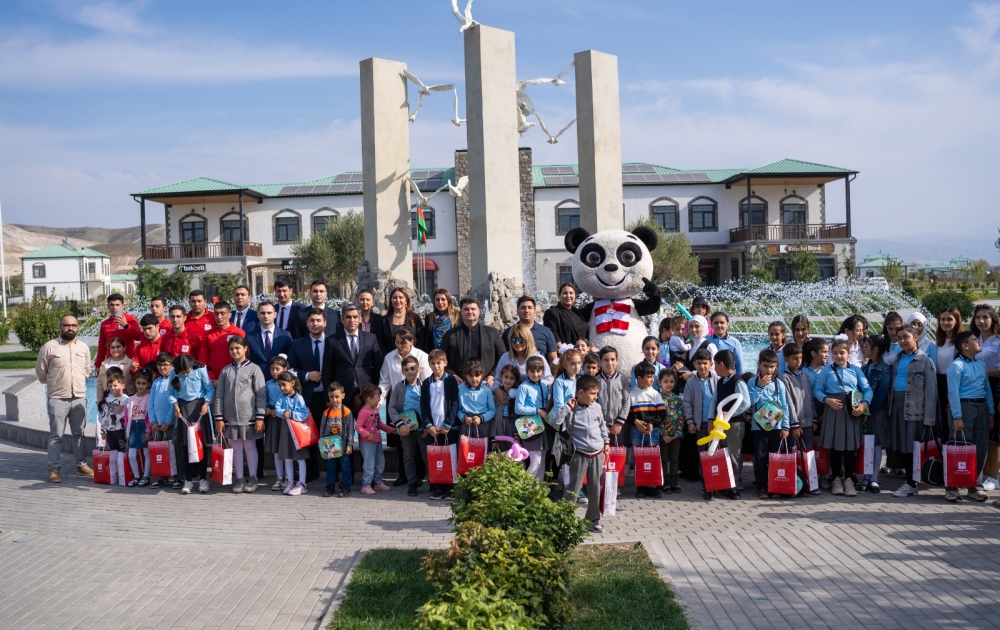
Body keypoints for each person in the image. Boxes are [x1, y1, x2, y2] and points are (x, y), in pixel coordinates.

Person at [549, 375, 610, 533]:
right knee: (573, 488)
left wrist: (606, 442)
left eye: (596, 393)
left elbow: (602, 426)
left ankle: (592, 520)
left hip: (597, 453)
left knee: (595, 488)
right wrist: (566, 408)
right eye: (592, 393)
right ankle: (564, 520)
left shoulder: (596, 407)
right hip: (579, 454)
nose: (595, 397)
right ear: (580, 392)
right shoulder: (571, 408)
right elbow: (554, 421)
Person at [812, 338, 872, 497]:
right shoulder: (826, 371)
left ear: (849, 353)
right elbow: (817, 390)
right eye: (835, 353)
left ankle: (849, 480)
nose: (839, 356)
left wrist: (864, 405)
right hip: (833, 410)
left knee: (850, 448)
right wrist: (827, 400)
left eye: (842, 353)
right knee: (835, 447)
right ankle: (837, 479)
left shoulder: (856, 370)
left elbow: (867, 390)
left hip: (852, 411)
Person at [38, 315, 93, 483]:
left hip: (79, 398)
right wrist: (54, 383)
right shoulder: (49, 347)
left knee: (79, 434)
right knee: (56, 435)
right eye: (66, 325)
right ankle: (54, 469)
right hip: (57, 398)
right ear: (60, 326)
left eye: (74, 325)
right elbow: (41, 371)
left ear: (77, 327)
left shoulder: (83, 347)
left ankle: (81, 465)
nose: (70, 328)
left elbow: (86, 369)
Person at [887, 325, 939, 498]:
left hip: (914, 409)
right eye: (899, 337)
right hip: (897, 407)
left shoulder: (925, 361)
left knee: (911, 447)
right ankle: (910, 480)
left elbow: (931, 393)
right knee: (903, 446)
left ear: (915, 337)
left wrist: (929, 419)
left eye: (906, 337)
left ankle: (911, 483)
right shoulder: (897, 358)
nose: (902, 341)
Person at [212, 336, 267, 494]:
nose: (235, 351)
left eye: (238, 348)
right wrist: (219, 417)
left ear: (245, 349)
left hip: (249, 417)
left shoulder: (254, 369)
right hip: (230, 418)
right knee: (235, 448)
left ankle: (253, 477)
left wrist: (260, 416)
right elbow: (219, 395)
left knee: (249, 447)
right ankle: (240, 478)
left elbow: (261, 394)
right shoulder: (225, 371)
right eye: (231, 349)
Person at [945, 331, 994, 503]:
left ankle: (974, 486)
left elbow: (987, 389)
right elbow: (952, 393)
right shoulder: (956, 366)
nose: (978, 341)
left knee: (980, 447)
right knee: (959, 447)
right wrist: (957, 416)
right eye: (974, 340)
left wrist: (991, 411)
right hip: (964, 407)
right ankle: (952, 487)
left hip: (981, 407)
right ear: (965, 346)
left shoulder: (980, 365)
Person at [377, 326, 430, 486]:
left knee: (422, 447)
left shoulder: (422, 356)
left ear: (412, 341)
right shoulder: (389, 357)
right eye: (397, 342)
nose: (399, 346)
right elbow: (384, 382)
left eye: (403, 343)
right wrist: (378, 403)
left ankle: (425, 477)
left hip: (420, 411)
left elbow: (427, 382)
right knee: (403, 447)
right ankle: (406, 477)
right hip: (400, 406)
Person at [167, 354, 215, 495]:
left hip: (199, 408)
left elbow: (210, 389)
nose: (185, 374)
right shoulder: (173, 372)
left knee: (201, 444)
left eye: (187, 371)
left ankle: (202, 479)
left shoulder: (200, 370)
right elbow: (170, 392)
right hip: (182, 409)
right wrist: (174, 404)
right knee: (185, 445)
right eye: (182, 372)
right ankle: (187, 480)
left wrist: (206, 403)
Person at [749, 349, 790, 500]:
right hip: (758, 427)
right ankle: (761, 487)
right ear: (759, 365)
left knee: (775, 457)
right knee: (760, 457)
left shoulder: (779, 384)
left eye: (772, 366)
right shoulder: (752, 382)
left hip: (776, 427)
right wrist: (759, 386)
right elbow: (750, 402)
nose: (769, 370)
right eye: (765, 366)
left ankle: (775, 485)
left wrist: (786, 427)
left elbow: (784, 406)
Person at [325, 304, 383, 408]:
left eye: (355, 317)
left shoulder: (371, 338)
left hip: (366, 392)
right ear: (342, 319)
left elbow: (378, 367)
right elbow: (327, 371)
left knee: (366, 424)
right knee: (344, 424)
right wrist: (328, 397)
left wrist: (377, 395)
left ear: (360, 319)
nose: (352, 320)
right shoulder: (332, 340)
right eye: (348, 317)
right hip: (342, 393)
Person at [421, 349, 459, 500]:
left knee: (450, 458)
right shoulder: (426, 383)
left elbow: (455, 402)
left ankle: (450, 488)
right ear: (429, 364)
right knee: (436, 459)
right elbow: (423, 406)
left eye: (439, 363)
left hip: (448, 428)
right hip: (433, 428)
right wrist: (428, 425)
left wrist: (449, 424)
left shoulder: (450, 381)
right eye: (433, 363)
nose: (436, 366)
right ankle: (438, 487)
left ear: (445, 363)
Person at [440, 297, 507, 382]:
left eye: (473, 309)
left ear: (479, 311)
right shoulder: (450, 334)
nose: (470, 312)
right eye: (466, 309)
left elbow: (502, 356)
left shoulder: (492, 333)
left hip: (486, 383)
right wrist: (452, 374)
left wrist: (493, 374)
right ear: (461, 312)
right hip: (458, 383)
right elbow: (441, 358)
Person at [713, 349, 751, 497]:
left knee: (733, 454)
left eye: (715, 364)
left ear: (721, 364)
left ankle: (733, 485)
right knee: (723, 453)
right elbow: (715, 401)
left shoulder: (738, 381)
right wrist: (712, 419)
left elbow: (746, 402)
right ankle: (724, 482)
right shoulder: (721, 380)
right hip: (721, 424)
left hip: (734, 424)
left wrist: (729, 414)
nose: (714, 368)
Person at [683, 348, 718, 498]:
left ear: (711, 364)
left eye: (705, 363)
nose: (702, 366)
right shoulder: (691, 382)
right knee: (703, 453)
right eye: (699, 363)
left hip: (716, 423)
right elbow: (687, 403)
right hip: (700, 424)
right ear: (694, 364)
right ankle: (706, 484)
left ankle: (717, 482)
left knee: (716, 453)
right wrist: (690, 421)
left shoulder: (717, 379)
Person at [492, 323, 553, 408]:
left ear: (528, 340)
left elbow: (549, 379)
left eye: (521, 340)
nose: (517, 343)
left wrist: (531, 386)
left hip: (531, 404)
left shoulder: (538, 358)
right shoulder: (505, 357)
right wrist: (496, 389)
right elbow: (497, 379)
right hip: (508, 403)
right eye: (514, 340)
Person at [628, 361, 666, 499]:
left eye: (653, 376)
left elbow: (662, 413)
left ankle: (653, 486)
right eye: (649, 376)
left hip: (652, 432)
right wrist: (636, 422)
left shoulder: (655, 394)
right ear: (639, 378)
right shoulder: (631, 394)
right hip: (636, 432)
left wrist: (652, 423)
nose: (652, 379)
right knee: (639, 458)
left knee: (652, 457)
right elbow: (627, 414)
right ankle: (641, 486)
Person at [388, 356, 424, 496]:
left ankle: (433, 482)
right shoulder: (399, 387)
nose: (410, 372)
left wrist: (428, 425)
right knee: (408, 456)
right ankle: (412, 483)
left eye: (413, 368)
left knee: (425, 456)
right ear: (402, 371)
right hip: (406, 428)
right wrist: (400, 424)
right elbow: (391, 408)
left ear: (418, 369)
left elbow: (429, 406)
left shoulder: (424, 386)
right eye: (406, 369)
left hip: (422, 428)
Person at [860, 335, 890, 494]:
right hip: (864, 412)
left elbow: (881, 394)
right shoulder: (865, 368)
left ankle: (874, 478)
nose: (863, 348)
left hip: (876, 412)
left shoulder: (884, 369)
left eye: (866, 346)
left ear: (875, 349)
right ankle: (866, 476)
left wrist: (869, 411)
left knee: (876, 443)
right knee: (867, 444)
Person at [515, 355, 552, 481]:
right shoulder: (523, 387)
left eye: (538, 371)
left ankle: (538, 492)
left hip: (544, 425)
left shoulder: (544, 386)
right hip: (531, 426)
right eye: (532, 371)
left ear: (542, 371)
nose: (535, 374)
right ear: (527, 372)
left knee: (542, 461)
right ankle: (525, 488)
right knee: (535, 461)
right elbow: (518, 408)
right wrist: (537, 410)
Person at [597, 346, 629, 490]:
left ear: (617, 361)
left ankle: (616, 486)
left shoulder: (623, 379)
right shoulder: (596, 380)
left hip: (618, 426)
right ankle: (600, 485)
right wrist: (601, 424)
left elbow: (627, 402)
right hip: (600, 426)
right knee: (601, 455)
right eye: (606, 360)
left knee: (617, 456)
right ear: (600, 362)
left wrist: (620, 422)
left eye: (612, 360)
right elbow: (593, 404)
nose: (609, 363)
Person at [274, 371, 311, 496]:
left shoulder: (299, 398)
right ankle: (290, 481)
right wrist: (282, 413)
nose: (282, 388)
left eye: (284, 385)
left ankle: (302, 483)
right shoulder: (281, 397)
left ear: (292, 383)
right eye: (280, 385)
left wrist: (291, 414)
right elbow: (277, 409)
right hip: (285, 431)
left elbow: (304, 414)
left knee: (300, 458)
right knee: (288, 457)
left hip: (297, 433)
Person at [356, 383, 394, 495]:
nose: (379, 400)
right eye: (378, 397)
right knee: (369, 463)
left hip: (377, 440)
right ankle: (366, 484)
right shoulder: (363, 412)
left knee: (379, 461)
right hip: (368, 443)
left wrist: (389, 429)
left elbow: (379, 424)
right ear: (369, 398)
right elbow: (358, 426)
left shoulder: (375, 410)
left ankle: (378, 482)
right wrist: (367, 434)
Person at [147, 351, 177, 488]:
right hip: (157, 424)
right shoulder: (156, 383)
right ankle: (162, 476)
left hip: (169, 423)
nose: (162, 368)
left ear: (171, 365)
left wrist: (167, 421)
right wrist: (153, 421)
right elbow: (151, 403)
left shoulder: (175, 380)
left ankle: (177, 476)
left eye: (165, 365)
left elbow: (174, 403)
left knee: (173, 450)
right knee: (159, 451)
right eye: (159, 365)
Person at [320, 381, 355, 497]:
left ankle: (346, 486)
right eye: (331, 397)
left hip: (343, 445)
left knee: (345, 466)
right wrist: (322, 444)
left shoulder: (346, 411)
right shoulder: (326, 412)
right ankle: (330, 486)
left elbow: (350, 429)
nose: (334, 400)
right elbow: (322, 429)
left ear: (343, 396)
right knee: (330, 467)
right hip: (330, 446)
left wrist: (350, 444)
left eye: (337, 397)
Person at [502, 296, 558, 367]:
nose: (526, 310)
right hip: (514, 374)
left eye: (530, 307)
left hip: (538, 375)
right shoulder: (508, 332)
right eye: (523, 308)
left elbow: (553, 360)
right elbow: (503, 357)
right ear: (517, 312)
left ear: (535, 311)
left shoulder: (546, 331)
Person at [934, 307, 963, 438]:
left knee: (951, 420)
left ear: (957, 321)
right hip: (939, 383)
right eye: (942, 319)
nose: (945, 322)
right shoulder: (940, 341)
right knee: (942, 423)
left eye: (949, 319)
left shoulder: (961, 342)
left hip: (953, 384)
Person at [199, 301, 246, 382]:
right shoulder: (207, 335)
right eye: (216, 314)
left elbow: (242, 359)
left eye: (222, 313)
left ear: (229, 315)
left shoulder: (238, 333)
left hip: (233, 379)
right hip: (211, 380)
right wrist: (211, 377)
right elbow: (202, 359)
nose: (219, 317)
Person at [263, 356, 292, 491]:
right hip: (273, 419)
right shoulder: (268, 384)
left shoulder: (291, 385)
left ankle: (288, 477)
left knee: (285, 448)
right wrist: (267, 409)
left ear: (285, 369)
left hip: (285, 419)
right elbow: (264, 399)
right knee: (275, 449)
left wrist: (280, 411)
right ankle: (279, 477)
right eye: (272, 369)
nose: (275, 372)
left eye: (278, 369)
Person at [95, 293, 141, 370]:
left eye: (117, 305)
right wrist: (98, 365)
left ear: (122, 306)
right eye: (112, 305)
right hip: (111, 361)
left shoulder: (130, 319)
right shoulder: (105, 324)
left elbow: (138, 337)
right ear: (108, 306)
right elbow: (102, 346)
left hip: (128, 360)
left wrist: (126, 325)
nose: (114, 307)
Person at [124, 368, 153, 487]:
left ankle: (146, 476)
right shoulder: (130, 399)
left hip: (143, 426)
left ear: (148, 384)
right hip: (133, 427)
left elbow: (150, 415)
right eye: (138, 383)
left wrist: (148, 430)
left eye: (143, 383)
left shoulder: (149, 397)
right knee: (131, 454)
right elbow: (126, 417)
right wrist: (127, 431)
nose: (140, 386)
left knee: (146, 453)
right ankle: (136, 476)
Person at [458, 359, 495, 450]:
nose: (474, 379)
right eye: (470, 376)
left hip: (483, 424)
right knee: (466, 452)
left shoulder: (486, 390)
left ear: (482, 375)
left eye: (477, 375)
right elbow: (457, 409)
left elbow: (492, 410)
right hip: (466, 424)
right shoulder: (460, 389)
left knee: (482, 452)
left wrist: (481, 418)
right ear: (466, 375)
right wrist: (463, 417)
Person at [247, 300, 292, 376]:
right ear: (258, 315)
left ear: (275, 314)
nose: (266, 316)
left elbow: (291, 359)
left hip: (279, 380)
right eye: (262, 313)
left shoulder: (286, 335)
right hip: (256, 379)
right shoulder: (249, 336)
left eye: (269, 313)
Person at [658, 369, 684, 493]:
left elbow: (680, 417)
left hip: (675, 435)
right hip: (663, 436)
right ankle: (664, 482)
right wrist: (663, 434)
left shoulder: (677, 400)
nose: (669, 384)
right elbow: (656, 419)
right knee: (663, 459)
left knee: (674, 458)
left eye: (672, 381)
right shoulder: (657, 399)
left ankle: (674, 482)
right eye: (666, 381)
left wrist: (678, 433)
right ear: (660, 382)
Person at [376, 286, 424, 355]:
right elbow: (380, 342)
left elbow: (421, 340)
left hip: (412, 359)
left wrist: (414, 355)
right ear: (391, 301)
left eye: (401, 298)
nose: (397, 300)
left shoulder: (415, 318)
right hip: (391, 360)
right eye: (394, 298)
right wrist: (387, 357)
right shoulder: (384, 320)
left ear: (406, 301)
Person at [542, 283, 589, 348]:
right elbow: (553, 335)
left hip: (583, 353)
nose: (568, 296)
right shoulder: (552, 312)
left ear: (575, 296)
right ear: (559, 295)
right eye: (565, 293)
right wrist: (563, 350)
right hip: (566, 354)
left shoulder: (580, 313)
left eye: (571, 293)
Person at [99, 371, 130, 454]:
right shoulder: (108, 400)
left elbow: (129, 417)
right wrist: (103, 430)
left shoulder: (127, 400)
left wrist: (128, 432)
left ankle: (121, 467)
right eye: (110, 386)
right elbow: (105, 416)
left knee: (122, 452)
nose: (112, 388)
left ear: (123, 386)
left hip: (121, 431)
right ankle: (113, 467)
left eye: (115, 385)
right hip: (110, 431)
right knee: (112, 452)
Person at [421, 288, 460, 352]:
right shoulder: (429, 317)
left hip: (453, 355)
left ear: (448, 301)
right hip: (435, 357)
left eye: (443, 299)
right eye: (437, 300)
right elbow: (427, 340)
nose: (440, 302)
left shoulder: (458, 316)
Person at [492, 365, 521, 450]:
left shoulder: (518, 395)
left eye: (512, 378)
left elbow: (519, 415)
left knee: (513, 452)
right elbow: (493, 415)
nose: (508, 380)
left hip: (512, 425)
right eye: (506, 377)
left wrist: (517, 433)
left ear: (515, 380)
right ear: (501, 377)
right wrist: (493, 436)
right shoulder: (496, 394)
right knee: (499, 454)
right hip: (498, 425)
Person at [709, 311, 745, 376]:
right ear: (711, 324)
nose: (719, 325)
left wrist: (740, 380)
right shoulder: (706, 340)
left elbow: (739, 364)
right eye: (716, 323)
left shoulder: (734, 342)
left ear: (727, 324)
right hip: (709, 378)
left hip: (727, 379)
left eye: (722, 322)